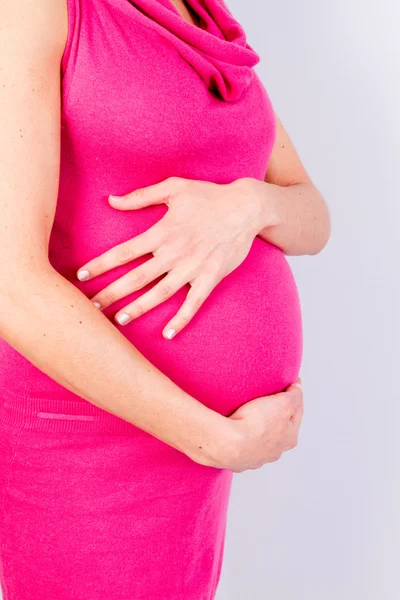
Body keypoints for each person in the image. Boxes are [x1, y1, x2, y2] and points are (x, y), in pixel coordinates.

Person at [0, 0, 330, 598]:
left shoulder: (204, 16)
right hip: (89, 446)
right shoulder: (37, 10)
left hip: (194, 454)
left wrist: (250, 207)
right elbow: (10, 285)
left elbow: (313, 216)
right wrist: (210, 436)